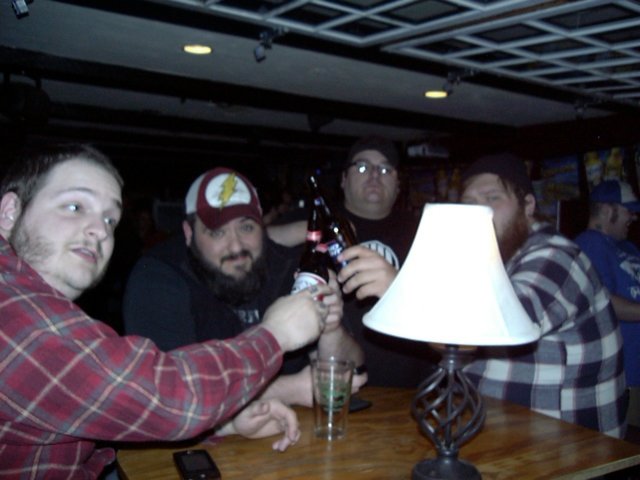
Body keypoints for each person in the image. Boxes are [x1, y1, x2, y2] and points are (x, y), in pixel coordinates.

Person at [0, 144, 332, 477]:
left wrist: (225, 424)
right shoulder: (13, 315)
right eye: (74, 206)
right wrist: (275, 334)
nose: (100, 230)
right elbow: (169, 397)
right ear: (9, 212)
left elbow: (118, 413)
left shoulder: (34, 304)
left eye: (110, 219)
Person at [123, 167, 364, 407]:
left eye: (246, 227)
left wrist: (330, 328)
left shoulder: (289, 266)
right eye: (217, 232)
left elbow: (353, 371)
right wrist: (286, 390)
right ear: (188, 233)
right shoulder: (159, 277)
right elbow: (167, 393)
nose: (236, 246)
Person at [459, 153, 627, 438]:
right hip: (498, 432)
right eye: (469, 203)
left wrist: (397, 288)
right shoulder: (488, 258)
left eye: (492, 198)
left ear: (528, 206)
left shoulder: (556, 255)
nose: (479, 212)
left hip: (568, 446)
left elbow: (504, 321)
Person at [271, 135, 434, 388]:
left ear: (398, 185)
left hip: (407, 389)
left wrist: (397, 288)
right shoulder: (313, 221)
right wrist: (306, 230)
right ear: (343, 180)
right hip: (324, 385)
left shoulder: (427, 233)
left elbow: (447, 314)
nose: (374, 175)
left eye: (385, 169)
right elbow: (251, 241)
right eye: (362, 167)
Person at [574, 179, 640, 426]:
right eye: (628, 210)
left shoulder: (629, 247)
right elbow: (603, 301)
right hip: (622, 375)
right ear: (605, 210)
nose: (633, 217)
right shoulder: (588, 243)